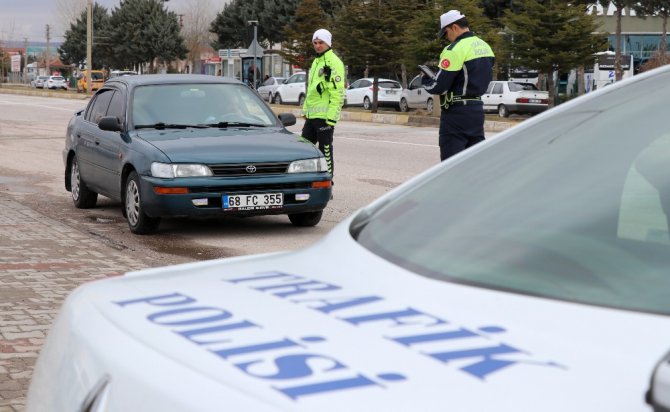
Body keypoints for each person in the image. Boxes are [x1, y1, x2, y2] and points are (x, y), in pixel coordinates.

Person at [421, 10, 495, 161]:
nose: (447, 38)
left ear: (454, 27)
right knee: (474, 163)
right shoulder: (485, 46)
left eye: (446, 33)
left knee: (451, 166)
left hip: (456, 113)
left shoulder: (455, 49)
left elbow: (439, 86)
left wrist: (425, 80)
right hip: (476, 110)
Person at [301, 28, 345, 176]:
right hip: (312, 116)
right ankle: (306, 180)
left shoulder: (334, 62)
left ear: (328, 43)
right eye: (315, 42)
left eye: (321, 42)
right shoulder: (316, 62)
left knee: (325, 150)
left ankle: (328, 182)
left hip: (325, 117)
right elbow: (312, 91)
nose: (318, 45)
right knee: (304, 150)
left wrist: (331, 119)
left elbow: (337, 92)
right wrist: (306, 111)